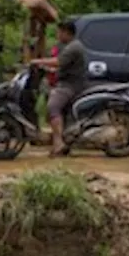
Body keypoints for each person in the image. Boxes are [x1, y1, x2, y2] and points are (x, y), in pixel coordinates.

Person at [31, 19, 87, 157]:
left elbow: (58, 61)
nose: (57, 34)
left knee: (52, 107)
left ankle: (58, 143)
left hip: (70, 85)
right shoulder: (69, 46)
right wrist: (46, 68)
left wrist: (38, 61)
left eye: (59, 31)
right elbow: (62, 66)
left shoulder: (73, 47)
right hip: (68, 82)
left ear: (66, 32)